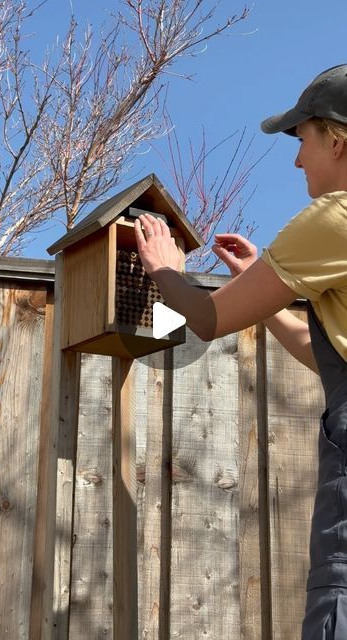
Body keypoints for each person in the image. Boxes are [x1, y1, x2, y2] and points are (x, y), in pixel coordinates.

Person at [134, 64, 347, 639]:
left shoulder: (335, 218)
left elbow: (207, 318)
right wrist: (262, 281)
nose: (298, 160)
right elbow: (322, 350)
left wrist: (164, 269)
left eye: (302, 140)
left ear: (337, 138)